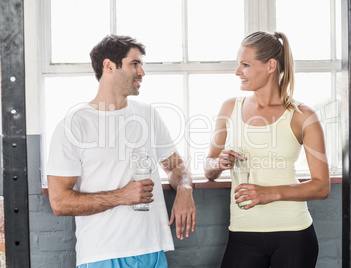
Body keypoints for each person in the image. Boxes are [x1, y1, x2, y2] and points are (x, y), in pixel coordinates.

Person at [47, 34, 196, 268]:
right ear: (109, 66)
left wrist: (185, 191)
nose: (142, 73)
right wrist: (121, 196)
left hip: (153, 251)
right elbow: (60, 202)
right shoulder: (73, 125)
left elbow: (176, 166)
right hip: (102, 255)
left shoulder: (148, 115)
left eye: (141, 65)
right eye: (134, 64)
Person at [204, 31, 330, 268]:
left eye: (245, 65)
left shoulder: (303, 116)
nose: (237, 72)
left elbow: (322, 186)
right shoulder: (230, 107)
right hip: (242, 232)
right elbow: (209, 168)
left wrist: (269, 193)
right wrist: (218, 163)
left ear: (271, 65)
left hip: (294, 234)